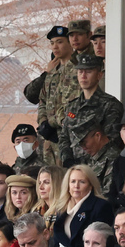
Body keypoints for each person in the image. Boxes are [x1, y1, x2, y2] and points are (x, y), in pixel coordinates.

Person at [60, 54, 125, 169]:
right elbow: (64, 137)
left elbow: (111, 141)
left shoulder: (110, 104)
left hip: (99, 168)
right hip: (73, 169)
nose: (83, 76)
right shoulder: (72, 106)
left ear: (99, 75)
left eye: (88, 72)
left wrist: (85, 161)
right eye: (80, 72)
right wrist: (67, 159)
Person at [33, 25, 79, 165]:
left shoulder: (78, 70)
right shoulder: (52, 72)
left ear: (70, 43)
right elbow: (42, 100)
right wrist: (42, 122)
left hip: (68, 136)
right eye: (52, 43)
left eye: (59, 42)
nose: (55, 47)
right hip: (49, 139)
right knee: (50, 179)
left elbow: (74, 107)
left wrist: (54, 122)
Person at [49, 164, 114, 247]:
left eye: (82, 182)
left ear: (90, 186)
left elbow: (100, 242)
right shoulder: (62, 207)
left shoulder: (101, 206)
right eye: (73, 181)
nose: (76, 186)